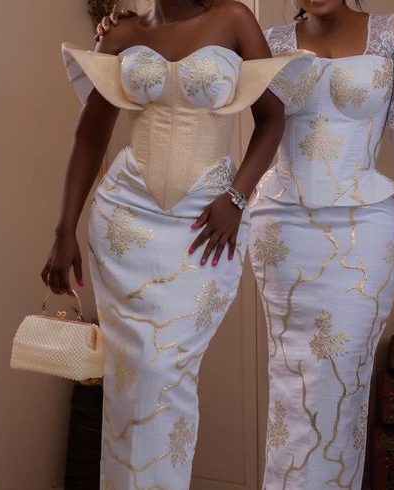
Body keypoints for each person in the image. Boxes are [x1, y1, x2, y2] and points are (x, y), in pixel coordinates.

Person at [97, 1, 394, 488]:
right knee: (291, 385)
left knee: (342, 384)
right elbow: (186, 68)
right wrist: (124, 27)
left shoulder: (393, 36)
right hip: (282, 226)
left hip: (366, 229)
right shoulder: (270, 42)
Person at [43, 1, 308, 488]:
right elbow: (90, 136)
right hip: (125, 223)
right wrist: (64, 230)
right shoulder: (122, 31)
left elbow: (272, 118)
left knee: (165, 370)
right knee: (129, 377)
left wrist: (237, 198)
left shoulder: (234, 19)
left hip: (205, 226)